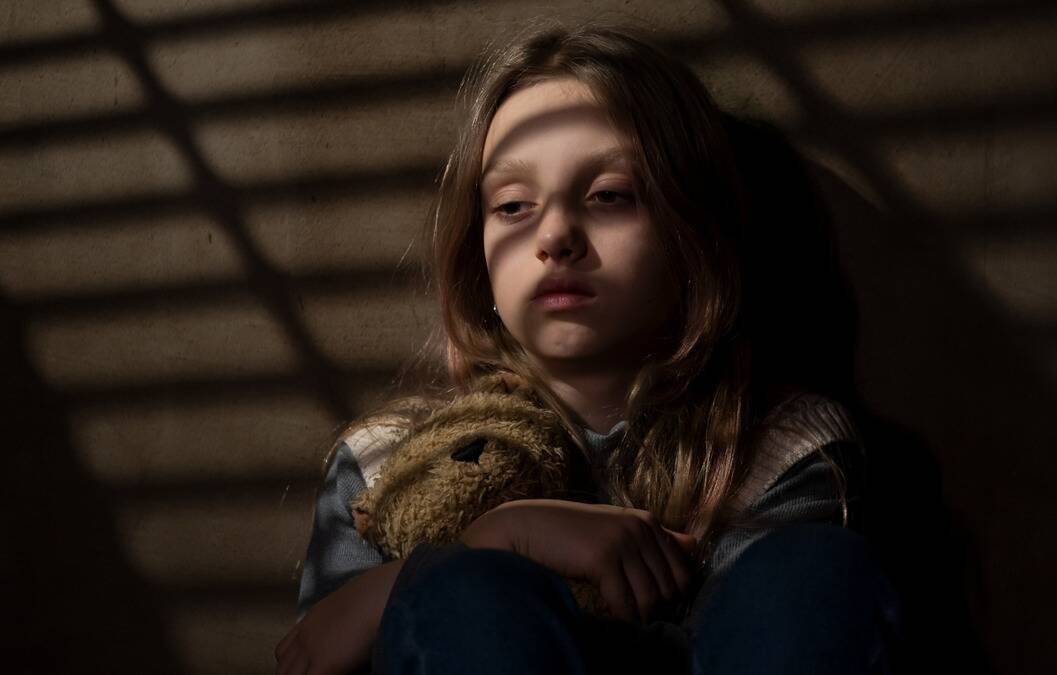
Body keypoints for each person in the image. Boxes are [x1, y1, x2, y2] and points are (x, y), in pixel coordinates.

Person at [274, 20, 903, 675]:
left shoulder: (782, 451)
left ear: (691, 234)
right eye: (514, 205)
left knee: (814, 571)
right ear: (477, 253)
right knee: (469, 594)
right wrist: (494, 542)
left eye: (608, 196)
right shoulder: (384, 467)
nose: (555, 236)